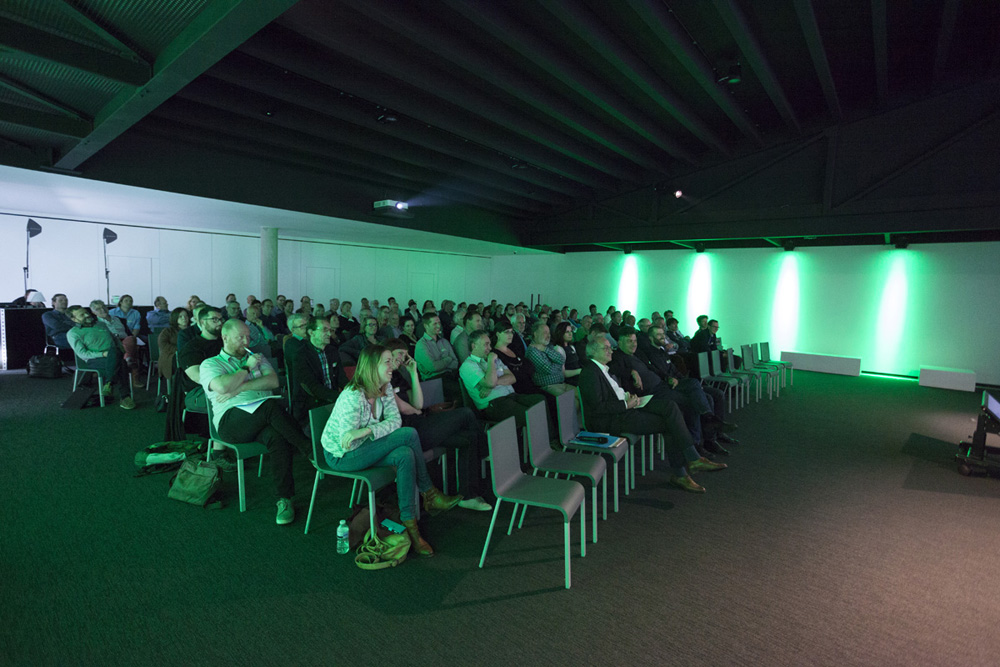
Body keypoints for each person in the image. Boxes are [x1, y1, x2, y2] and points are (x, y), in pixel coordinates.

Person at [322, 345, 462, 556]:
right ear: (371, 366)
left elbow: (394, 421)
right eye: (386, 362)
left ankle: (411, 526)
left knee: (405, 453)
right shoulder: (353, 396)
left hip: (364, 445)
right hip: (341, 455)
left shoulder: (385, 387)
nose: (392, 366)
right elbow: (348, 442)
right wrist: (370, 434)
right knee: (408, 435)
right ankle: (429, 493)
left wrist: (368, 430)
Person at [579, 337, 725, 493]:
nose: (610, 351)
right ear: (593, 352)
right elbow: (597, 407)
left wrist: (627, 397)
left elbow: (610, 395)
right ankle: (687, 466)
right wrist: (625, 404)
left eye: (610, 347)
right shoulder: (590, 372)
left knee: (670, 407)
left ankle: (689, 464)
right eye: (606, 348)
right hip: (611, 420)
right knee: (670, 423)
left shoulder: (602, 369)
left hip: (624, 410)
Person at [201, 320, 312, 525]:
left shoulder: (256, 358)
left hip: (261, 417)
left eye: (248, 337)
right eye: (240, 337)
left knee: (277, 437)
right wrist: (245, 368)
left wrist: (240, 388)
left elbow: (273, 382)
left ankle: (284, 499)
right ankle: (308, 448)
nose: (246, 341)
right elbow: (223, 386)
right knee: (270, 406)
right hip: (231, 423)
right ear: (225, 337)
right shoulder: (211, 364)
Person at [385, 339, 491, 511]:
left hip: (421, 424)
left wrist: (413, 373)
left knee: (470, 438)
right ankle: (486, 451)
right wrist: (415, 410)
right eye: (399, 353)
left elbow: (417, 405)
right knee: (465, 413)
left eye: (405, 354)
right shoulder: (383, 377)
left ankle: (468, 496)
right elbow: (406, 409)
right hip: (410, 434)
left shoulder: (398, 375)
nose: (402, 358)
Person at [459, 330, 544, 434]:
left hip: (511, 396)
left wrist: (494, 383)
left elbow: (512, 378)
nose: (490, 348)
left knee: (540, 400)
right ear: (474, 346)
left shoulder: (495, 359)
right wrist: (491, 362)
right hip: (493, 404)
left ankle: (550, 440)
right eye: (486, 344)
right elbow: (490, 383)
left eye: (490, 344)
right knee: (530, 414)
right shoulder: (469, 365)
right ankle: (535, 446)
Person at [66, 305, 135, 409]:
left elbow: (115, 341)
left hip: (113, 355)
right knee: (122, 363)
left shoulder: (101, 324)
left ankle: (109, 383)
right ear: (74, 319)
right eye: (82, 315)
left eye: (86, 312)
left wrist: (119, 350)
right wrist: (102, 354)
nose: (87, 315)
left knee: (115, 353)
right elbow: (82, 354)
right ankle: (124, 396)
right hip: (94, 360)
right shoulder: (73, 333)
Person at [287, 316, 341, 426]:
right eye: (324, 330)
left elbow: (341, 377)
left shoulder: (332, 351)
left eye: (330, 330)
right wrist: (340, 397)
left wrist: (353, 391)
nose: (329, 334)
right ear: (311, 332)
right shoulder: (300, 355)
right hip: (311, 406)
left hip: (332, 401)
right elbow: (312, 387)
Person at [90, 299, 141, 385]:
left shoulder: (118, 319)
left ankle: (127, 360)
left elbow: (129, 334)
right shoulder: (95, 324)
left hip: (126, 341)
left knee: (131, 340)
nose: (102, 310)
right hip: (111, 344)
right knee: (131, 352)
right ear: (93, 312)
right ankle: (134, 376)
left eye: (103, 307)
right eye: (98, 309)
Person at [415, 313, 460, 398]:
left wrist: (441, 364)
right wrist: (448, 359)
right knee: (459, 392)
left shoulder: (444, 341)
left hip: (449, 376)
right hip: (432, 381)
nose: (438, 326)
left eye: (439, 323)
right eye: (435, 323)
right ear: (426, 326)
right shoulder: (421, 344)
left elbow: (455, 363)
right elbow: (432, 367)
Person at [525, 321, 574, 396]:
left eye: (549, 333)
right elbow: (549, 370)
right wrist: (559, 365)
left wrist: (545, 349)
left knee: (582, 396)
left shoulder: (548, 346)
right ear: (535, 334)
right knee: (572, 402)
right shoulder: (532, 351)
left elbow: (561, 359)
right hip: (548, 386)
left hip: (561, 383)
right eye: (545, 333)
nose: (548, 335)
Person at [157, 307, 190, 384]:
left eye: (186, 316)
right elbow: (163, 345)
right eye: (180, 316)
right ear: (175, 318)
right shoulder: (167, 331)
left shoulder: (192, 330)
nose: (184, 318)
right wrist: (179, 349)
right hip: (171, 356)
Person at [552, 321, 582, 385]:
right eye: (567, 332)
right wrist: (579, 371)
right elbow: (562, 373)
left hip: (579, 377)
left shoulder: (572, 347)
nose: (570, 334)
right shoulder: (558, 349)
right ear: (561, 333)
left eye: (571, 331)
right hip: (569, 381)